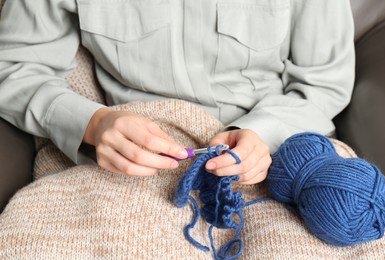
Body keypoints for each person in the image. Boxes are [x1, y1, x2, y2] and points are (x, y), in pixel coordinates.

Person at [0, 0, 355, 185]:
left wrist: (264, 134)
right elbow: (13, 67)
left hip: (272, 152)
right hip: (126, 166)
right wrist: (93, 124)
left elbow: (323, 82)